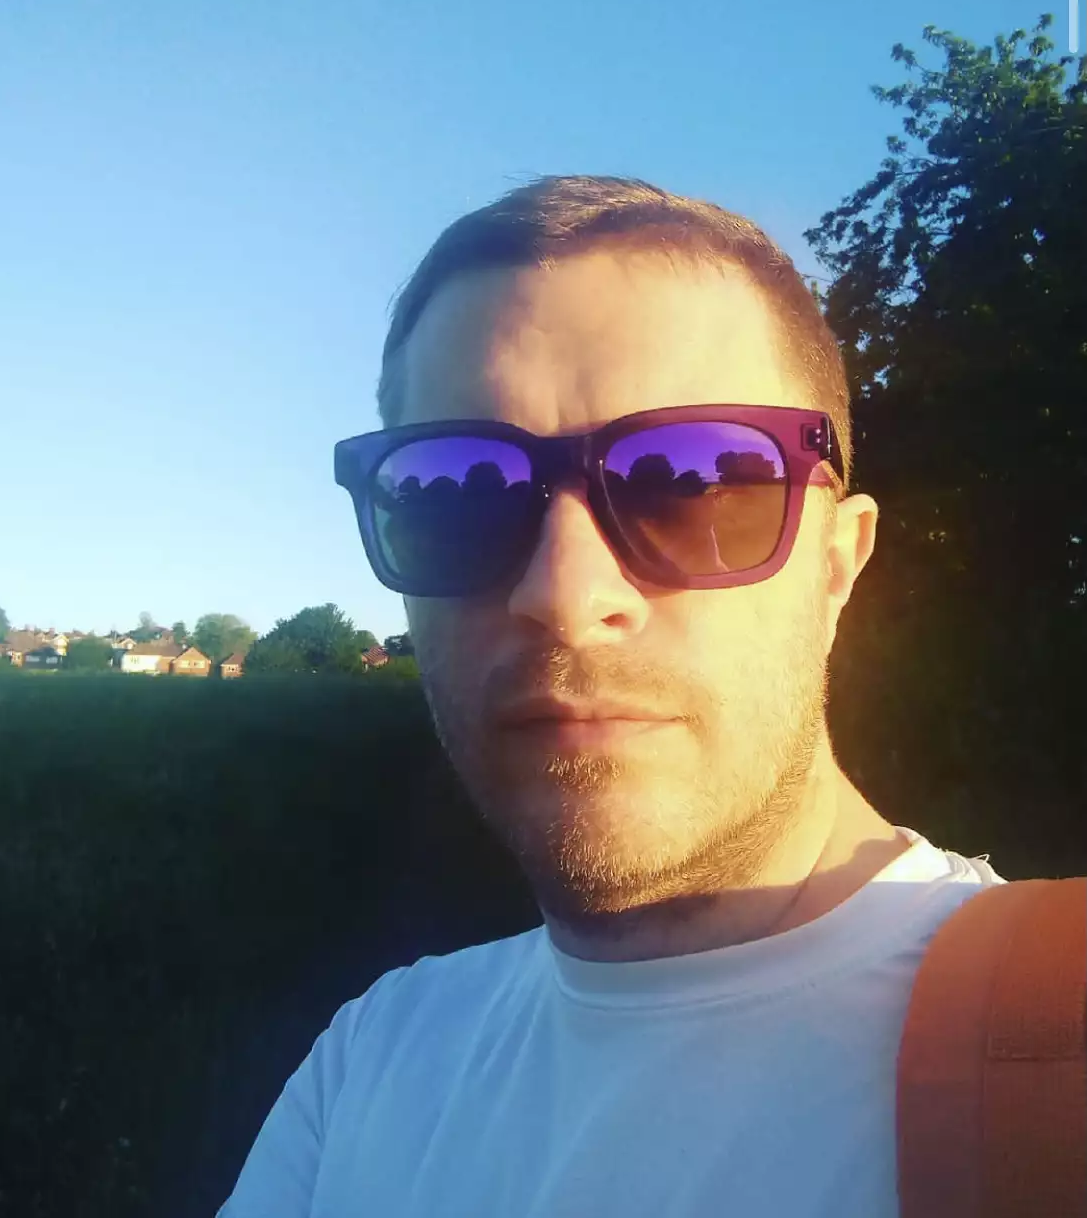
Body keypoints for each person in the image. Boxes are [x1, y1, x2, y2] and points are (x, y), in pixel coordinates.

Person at [217, 175, 1005, 1217]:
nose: (563, 596)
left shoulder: (1047, 1049)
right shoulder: (375, 1059)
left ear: (835, 565)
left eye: (690, 480)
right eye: (458, 494)